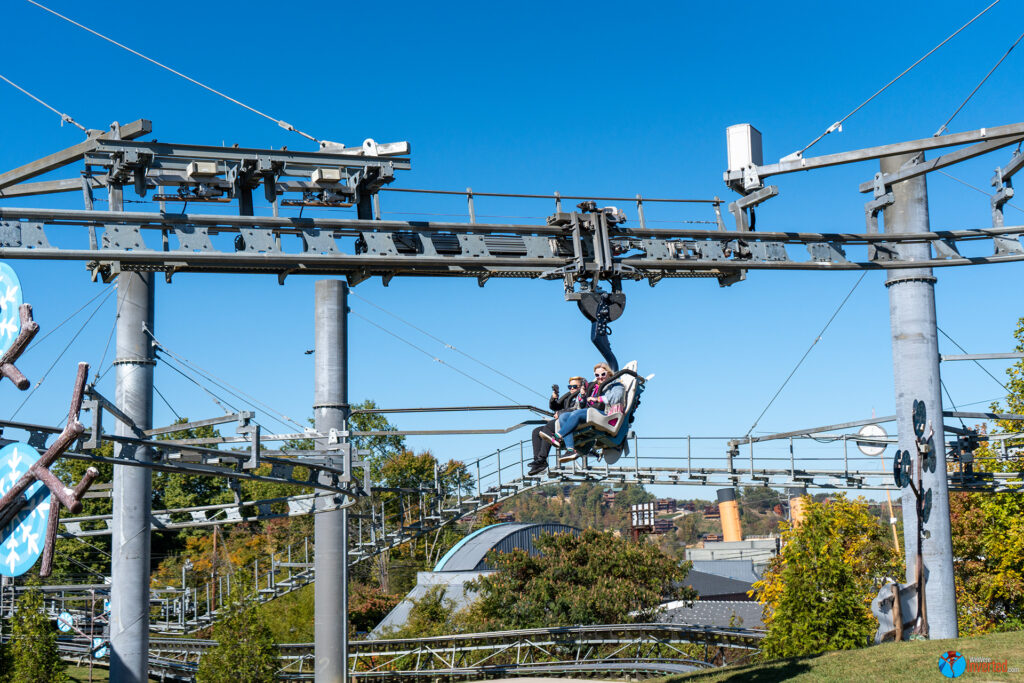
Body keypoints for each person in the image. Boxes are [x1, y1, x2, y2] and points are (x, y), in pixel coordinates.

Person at [550, 362, 625, 456]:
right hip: (588, 412)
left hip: (605, 414)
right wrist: (582, 395)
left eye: (603, 374)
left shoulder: (616, 385)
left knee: (576, 413)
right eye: (597, 375)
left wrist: (597, 399)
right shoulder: (593, 387)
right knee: (564, 417)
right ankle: (570, 450)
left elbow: (616, 397)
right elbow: (581, 405)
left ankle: (558, 436)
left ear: (609, 374)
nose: (600, 377)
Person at [528, 376, 588, 475]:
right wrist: (554, 397)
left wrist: (560, 413)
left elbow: (577, 410)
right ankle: (538, 462)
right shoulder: (568, 398)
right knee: (536, 431)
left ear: (581, 387)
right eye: (570, 387)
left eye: (574, 386)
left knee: (548, 427)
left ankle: (542, 458)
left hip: (571, 422)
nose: (572, 389)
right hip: (561, 421)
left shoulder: (582, 397)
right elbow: (555, 406)